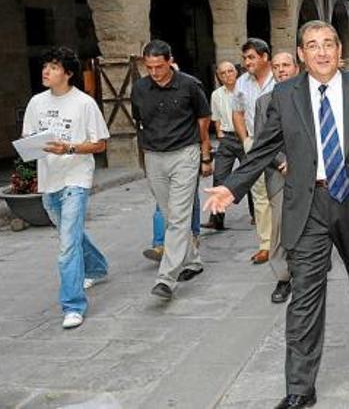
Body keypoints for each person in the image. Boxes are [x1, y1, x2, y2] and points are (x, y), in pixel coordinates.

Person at [203, 20, 349, 409]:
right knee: (304, 295)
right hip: (309, 205)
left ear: (340, 50)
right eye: (312, 45)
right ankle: (300, 386)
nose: (321, 52)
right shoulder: (285, 96)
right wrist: (232, 187)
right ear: (301, 54)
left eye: (329, 44)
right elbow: (263, 149)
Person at [22, 46, 110, 329]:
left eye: (54, 67)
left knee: (66, 246)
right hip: (50, 179)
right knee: (69, 235)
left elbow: (100, 144)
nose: (47, 71)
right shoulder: (36, 102)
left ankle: (73, 305)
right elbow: (29, 138)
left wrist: (69, 148)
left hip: (76, 179)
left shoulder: (84, 104)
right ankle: (96, 266)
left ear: (68, 73)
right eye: (45, 66)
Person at [131, 39, 212, 300]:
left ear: (170, 61)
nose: (154, 72)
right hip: (155, 155)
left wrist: (204, 152)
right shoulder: (140, 88)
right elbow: (139, 121)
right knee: (169, 214)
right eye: (149, 67)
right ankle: (193, 261)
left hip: (185, 154)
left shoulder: (189, 85)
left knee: (178, 215)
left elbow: (203, 118)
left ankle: (166, 279)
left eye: (159, 66)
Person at [258, 51, 299, 303]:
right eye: (276, 66)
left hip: (311, 169)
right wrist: (283, 161)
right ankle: (283, 277)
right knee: (280, 225)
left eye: (286, 65)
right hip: (279, 172)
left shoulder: (310, 95)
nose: (281, 70)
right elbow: (263, 141)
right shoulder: (264, 102)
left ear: (296, 67)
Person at [233, 38, 276, 264]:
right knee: (260, 196)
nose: (247, 62)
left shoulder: (280, 78)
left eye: (251, 57)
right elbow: (237, 113)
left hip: (281, 145)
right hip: (255, 146)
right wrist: (246, 140)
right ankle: (266, 245)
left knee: (284, 193)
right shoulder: (242, 83)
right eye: (245, 58)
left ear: (264, 57)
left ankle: (289, 241)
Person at [203, 61, 247, 231]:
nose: (228, 75)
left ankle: (255, 216)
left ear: (236, 72)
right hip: (227, 139)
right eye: (223, 73)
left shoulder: (244, 91)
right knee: (219, 177)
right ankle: (216, 219)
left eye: (230, 71)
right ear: (219, 77)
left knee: (251, 176)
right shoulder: (216, 95)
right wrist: (220, 134)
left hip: (244, 138)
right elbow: (215, 117)